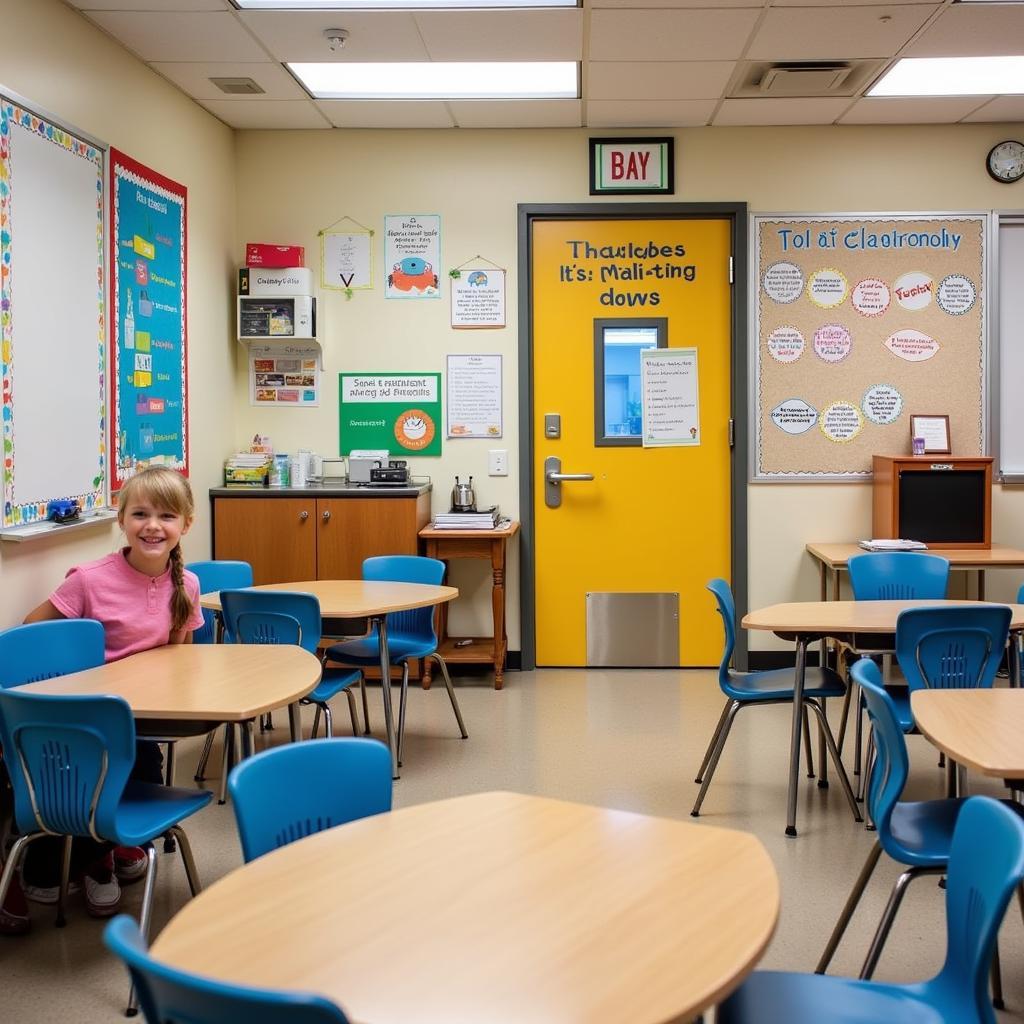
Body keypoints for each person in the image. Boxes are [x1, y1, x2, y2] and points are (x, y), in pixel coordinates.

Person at [0, 467, 204, 935]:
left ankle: (100, 855)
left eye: (166, 516)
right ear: (121, 518)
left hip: (138, 715)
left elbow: (178, 659)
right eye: (140, 514)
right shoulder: (89, 580)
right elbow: (35, 631)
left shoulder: (186, 585)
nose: (152, 525)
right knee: (110, 769)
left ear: (185, 524)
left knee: (143, 763)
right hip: (84, 718)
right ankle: (94, 859)